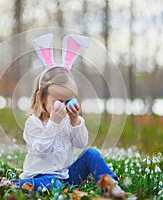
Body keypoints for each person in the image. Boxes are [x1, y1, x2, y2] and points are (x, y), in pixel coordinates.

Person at [10, 34, 120, 191]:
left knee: (91, 153)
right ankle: (15, 184)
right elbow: (41, 151)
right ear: (42, 99)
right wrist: (53, 123)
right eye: (58, 101)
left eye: (68, 100)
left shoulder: (69, 120)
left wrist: (75, 121)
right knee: (53, 184)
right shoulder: (33, 123)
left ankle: (112, 186)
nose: (65, 105)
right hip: (40, 176)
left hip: (66, 176)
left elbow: (81, 143)